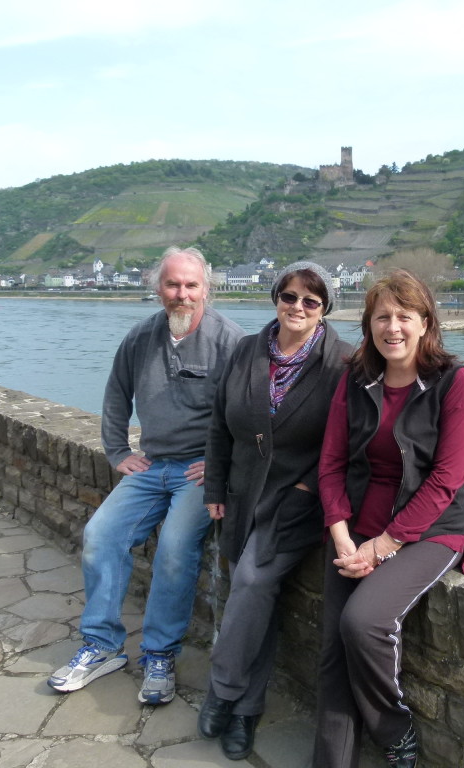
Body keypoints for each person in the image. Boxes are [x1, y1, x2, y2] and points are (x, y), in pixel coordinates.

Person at [48, 246, 244, 706]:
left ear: (206, 290)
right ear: (158, 289)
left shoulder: (230, 341)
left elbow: (249, 412)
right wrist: (118, 450)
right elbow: (116, 394)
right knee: (100, 534)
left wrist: (221, 465)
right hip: (151, 464)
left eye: (191, 286)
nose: (182, 294)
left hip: (199, 472)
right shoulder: (139, 338)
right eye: (173, 285)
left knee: (175, 547)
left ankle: (159, 654)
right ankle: (101, 646)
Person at [313, 270, 464, 768]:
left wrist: (383, 545)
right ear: (368, 326)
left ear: (425, 323)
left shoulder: (455, 382)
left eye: (404, 316)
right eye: (381, 317)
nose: (393, 327)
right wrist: (342, 536)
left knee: (363, 622)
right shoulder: (356, 377)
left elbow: (446, 479)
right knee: (332, 652)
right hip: (358, 525)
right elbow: (331, 464)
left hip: (431, 529)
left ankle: (394, 727)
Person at [197, 261, 353, 761]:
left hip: (295, 502)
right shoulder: (245, 351)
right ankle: (246, 708)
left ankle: (223, 690)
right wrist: (214, 487)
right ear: (276, 299)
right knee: (254, 595)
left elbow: (349, 448)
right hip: (242, 497)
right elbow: (220, 426)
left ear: (325, 309)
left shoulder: (341, 364)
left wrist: (309, 489)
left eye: (311, 301)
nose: (298, 308)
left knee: (252, 583)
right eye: (289, 297)